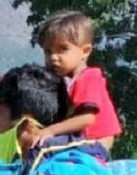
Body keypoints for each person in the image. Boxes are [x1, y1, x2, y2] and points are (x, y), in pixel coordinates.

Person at [29, 11, 122, 152]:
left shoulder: (89, 78)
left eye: (63, 49)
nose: (53, 57)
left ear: (85, 51)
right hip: (82, 141)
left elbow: (87, 118)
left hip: (94, 143)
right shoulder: (66, 80)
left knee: (40, 146)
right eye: (48, 51)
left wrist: (51, 131)